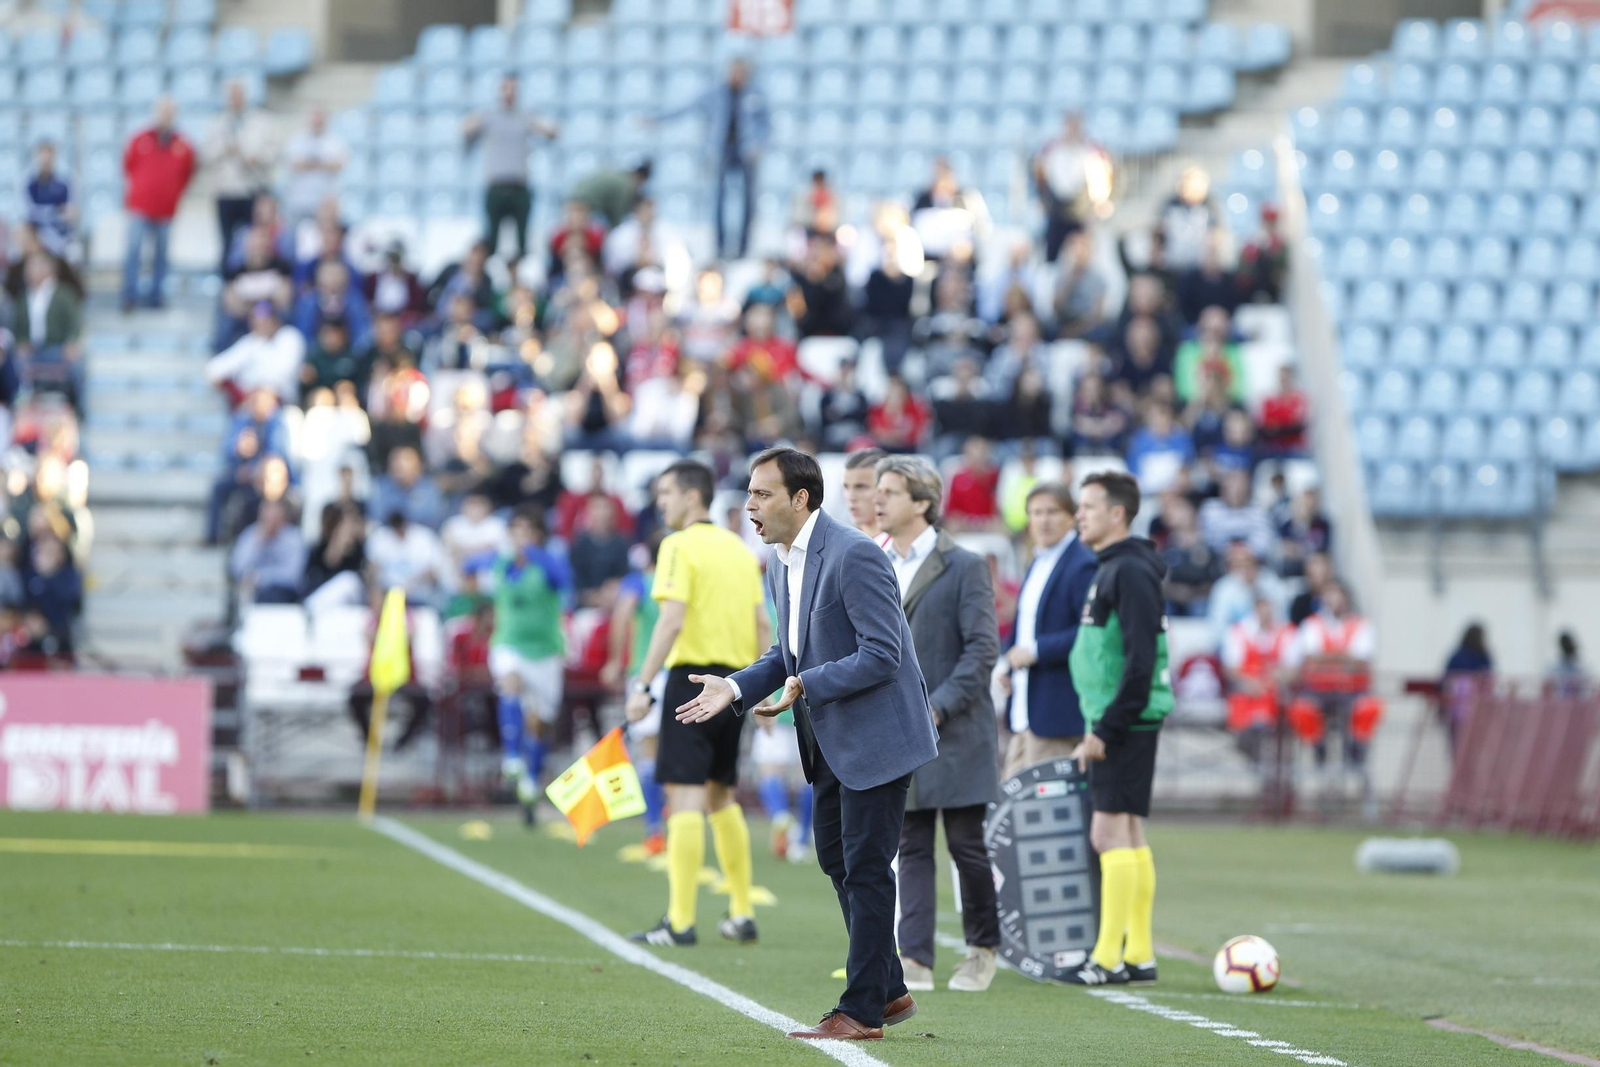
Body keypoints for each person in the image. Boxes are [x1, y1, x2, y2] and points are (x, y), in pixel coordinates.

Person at [674, 447, 936, 1041]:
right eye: (748, 493)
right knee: (836, 860)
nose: (749, 506)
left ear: (801, 498)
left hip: (879, 739)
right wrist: (737, 685)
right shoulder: (779, 561)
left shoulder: (855, 555)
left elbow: (881, 654)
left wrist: (804, 683)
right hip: (829, 740)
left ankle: (863, 1008)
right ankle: (889, 988)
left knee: (867, 868)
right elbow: (786, 654)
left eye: (762, 494)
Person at [624, 461, 768, 947]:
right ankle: (742, 911)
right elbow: (762, 625)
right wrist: (760, 688)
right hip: (738, 683)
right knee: (721, 794)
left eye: (666, 493)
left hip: (691, 681)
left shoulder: (677, 545)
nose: (660, 502)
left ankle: (680, 921)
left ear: (691, 495)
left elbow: (670, 622)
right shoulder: (739, 548)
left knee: (684, 795)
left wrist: (642, 685)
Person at [873, 456, 1000, 994]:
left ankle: (981, 951)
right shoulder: (870, 559)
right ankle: (916, 960)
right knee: (912, 843)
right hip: (898, 732)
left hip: (957, 727)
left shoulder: (965, 564)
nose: (878, 501)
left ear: (922, 502)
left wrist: (939, 705)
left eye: (891, 492)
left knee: (968, 844)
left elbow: (982, 649)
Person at [1067, 470, 1173, 986]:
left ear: (1118, 514)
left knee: (1107, 832)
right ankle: (1139, 953)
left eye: (1088, 506)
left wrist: (1105, 728)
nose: (1079, 514)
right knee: (1127, 831)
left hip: (1124, 721)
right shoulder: (1116, 567)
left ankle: (1107, 958)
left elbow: (1139, 661)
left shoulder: (1129, 571)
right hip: (1123, 718)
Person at [997, 483, 1099, 777]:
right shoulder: (1038, 562)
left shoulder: (1083, 564)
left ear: (1072, 516)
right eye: (1036, 512)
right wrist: (1008, 664)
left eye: (1052, 511)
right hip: (1025, 712)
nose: (1043, 520)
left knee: (1047, 815)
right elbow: (1025, 625)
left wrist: (1036, 651)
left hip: (1057, 714)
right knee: (1013, 812)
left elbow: (1090, 633)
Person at [485, 507, 571, 821]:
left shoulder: (548, 563)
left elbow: (562, 581)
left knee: (541, 722)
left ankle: (531, 782)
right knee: (510, 682)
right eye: (515, 530)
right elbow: (472, 568)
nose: (520, 537)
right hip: (509, 644)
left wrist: (535, 554)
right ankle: (511, 759)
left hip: (545, 651)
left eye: (527, 530)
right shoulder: (504, 565)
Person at [650, 58, 770, 259]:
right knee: (719, 200)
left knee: (748, 202)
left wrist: (758, 144)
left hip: (746, 152)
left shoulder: (756, 94)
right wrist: (657, 119)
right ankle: (721, 246)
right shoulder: (716, 93)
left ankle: (743, 247)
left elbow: (766, 125)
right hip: (722, 150)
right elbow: (686, 108)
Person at [603, 533, 667, 855]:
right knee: (677, 753)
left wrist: (616, 659)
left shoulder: (640, 582)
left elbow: (621, 615)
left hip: (648, 675)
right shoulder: (681, 580)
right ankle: (672, 821)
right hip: (688, 674)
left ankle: (654, 829)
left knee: (650, 753)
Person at [464, 75, 560, 259]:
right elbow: (466, 134)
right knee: (491, 239)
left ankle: (520, 279)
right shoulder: (488, 116)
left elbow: (551, 133)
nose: (509, 93)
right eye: (506, 88)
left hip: (519, 187)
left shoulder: (525, 116)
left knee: (522, 241)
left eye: (513, 89)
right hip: (496, 186)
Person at [122, 97, 196, 312]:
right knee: (134, 250)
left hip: (166, 209)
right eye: (163, 112)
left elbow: (187, 173)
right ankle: (130, 295)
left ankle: (156, 295)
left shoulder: (183, 144)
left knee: (161, 255)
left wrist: (173, 193)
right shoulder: (139, 139)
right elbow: (128, 166)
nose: (166, 116)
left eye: (170, 112)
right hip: (140, 206)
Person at [205, 79, 277, 272]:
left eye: (239, 95)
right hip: (226, 190)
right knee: (226, 241)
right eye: (232, 96)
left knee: (255, 240)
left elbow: (271, 153)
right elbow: (206, 155)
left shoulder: (261, 121)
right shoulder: (218, 122)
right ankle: (228, 282)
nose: (235, 99)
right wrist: (225, 149)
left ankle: (253, 277)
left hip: (251, 189)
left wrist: (254, 158)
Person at [1033, 110, 1112, 261]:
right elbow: (1039, 176)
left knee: (1082, 255)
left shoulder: (1091, 151)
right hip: (1056, 211)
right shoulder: (1051, 150)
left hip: (1080, 212)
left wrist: (1098, 205)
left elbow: (1103, 179)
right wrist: (1042, 198)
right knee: (1052, 256)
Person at [204, 302, 306, 407]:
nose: (260, 324)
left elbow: (281, 375)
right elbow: (213, 369)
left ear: (275, 320)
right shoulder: (250, 341)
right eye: (256, 320)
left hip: (283, 404)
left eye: (265, 320)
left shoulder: (290, 336)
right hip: (249, 403)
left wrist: (252, 384)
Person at [281, 106, 346, 237]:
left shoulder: (334, 141)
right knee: (296, 239)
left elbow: (338, 165)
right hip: (299, 202)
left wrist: (308, 164)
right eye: (315, 117)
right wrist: (323, 164)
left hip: (323, 204)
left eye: (320, 117)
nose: (317, 121)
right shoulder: (297, 139)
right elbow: (294, 164)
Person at [229, 500, 306, 605]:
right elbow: (236, 568)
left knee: (271, 595)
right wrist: (257, 544)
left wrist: (260, 578)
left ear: (283, 517)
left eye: (275, 517)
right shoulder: (250, 534)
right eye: (267, 517)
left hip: (284, 594)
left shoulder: (294, 538)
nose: (271, 521)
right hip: (252, 591)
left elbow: (293, 576)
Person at [24, 141, 76, 261]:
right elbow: (27, 211)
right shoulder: (29, 182)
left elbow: (70, 212)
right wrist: (54, 211)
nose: (46, 160)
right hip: (36, 233)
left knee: (72, 253)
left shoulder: (64, 182)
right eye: (43, 156)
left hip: (60, 233)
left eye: (49, 156)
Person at [840, 446, 887, 544]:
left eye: (861, 487)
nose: (851, 497)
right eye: (846, 487)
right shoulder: (841, 543)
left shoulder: (902, 546)